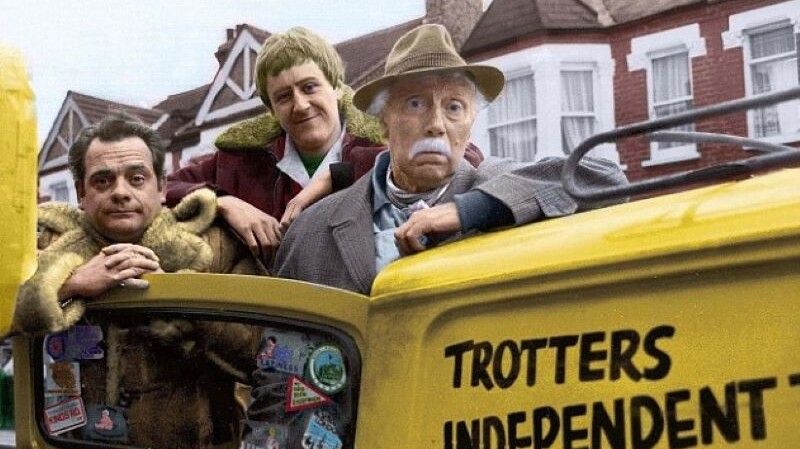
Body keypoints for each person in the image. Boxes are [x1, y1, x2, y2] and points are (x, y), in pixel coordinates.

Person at [274, 24, 628, 294]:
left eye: (454, 107)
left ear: (469, 126)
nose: (437, 125)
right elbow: (279, 360)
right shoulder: (310, 231)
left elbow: (606, 179)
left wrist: (469, 210)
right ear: (383, 122)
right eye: (415, 103)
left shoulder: (495, 185)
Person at [14, 113, 260, 449]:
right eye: (102, 181)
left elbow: (261, 357)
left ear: (162, 188)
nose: (120, 192)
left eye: (137, 178)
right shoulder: (42, 248)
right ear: (81, 193)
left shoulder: (216, 248)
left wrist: (174, 296)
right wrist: (69, 284)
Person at [166, 27, 484, 265]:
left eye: (310, 87)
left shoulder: (382, 135)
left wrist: (340, 173)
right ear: (271, 110)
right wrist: (223, 202)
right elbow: (163, 187)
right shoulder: (241, 159)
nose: (301, 105)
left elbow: (464, 158)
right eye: (284, 97)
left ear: (336, 88)